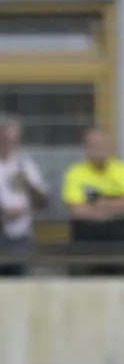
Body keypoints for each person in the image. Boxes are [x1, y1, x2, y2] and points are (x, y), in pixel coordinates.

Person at [62, 127, 124, 277]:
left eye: (101, 145)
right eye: (93, 146)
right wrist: (116, 205)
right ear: (85, 148)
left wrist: (100, 205)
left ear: (110, 147)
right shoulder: (75, 172)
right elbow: (75, 209)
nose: (98, 150)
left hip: (117, 243)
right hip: (84, 244)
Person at [0, 115, 49, 277]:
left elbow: (43, 202)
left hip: (21, 236)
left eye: (9, 137)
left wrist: (28, 184)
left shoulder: (26, 165)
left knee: (19, 286)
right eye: (2, 136)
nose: (5, 142)